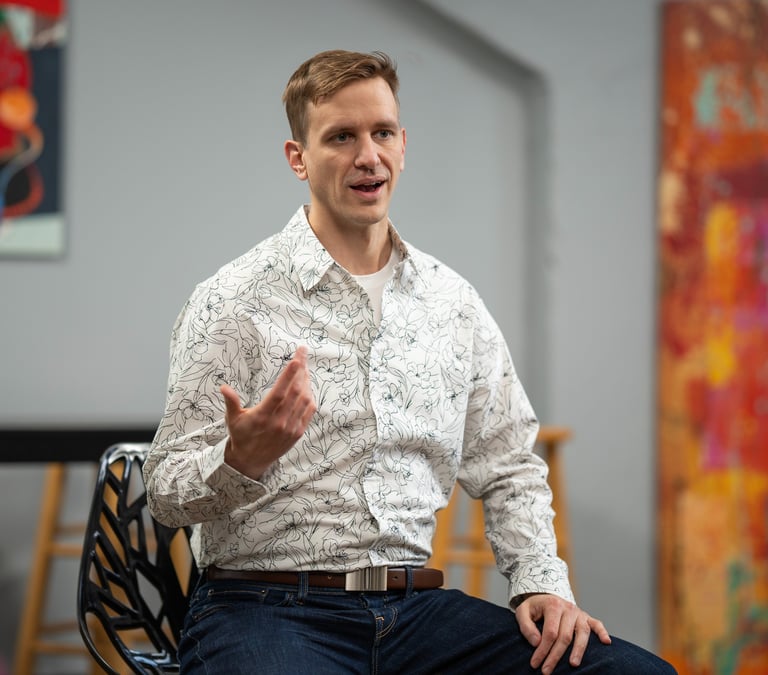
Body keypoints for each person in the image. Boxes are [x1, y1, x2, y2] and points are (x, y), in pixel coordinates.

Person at [144, 49, 675, 675]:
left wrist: (541, 583)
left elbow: (508, 464)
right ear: (299, 159)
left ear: (402, 145)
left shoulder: (452, 303)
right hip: (262, 608)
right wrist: (240, 461)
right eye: (341, 137)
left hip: (416, 615)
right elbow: (165, 493)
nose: (368, 156)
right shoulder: (232, 302)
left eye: (382, 133)